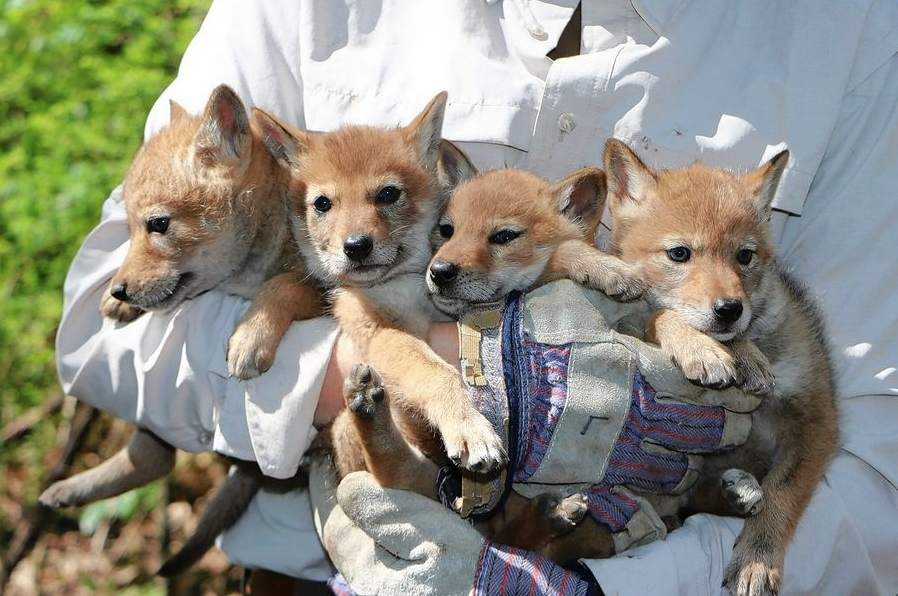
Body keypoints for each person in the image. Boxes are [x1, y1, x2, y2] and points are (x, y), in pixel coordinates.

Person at [56, 1, 898, 594]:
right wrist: (378, 375)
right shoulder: (305, 10)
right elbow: (104, 333)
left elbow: (871, 466)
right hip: (331, 572)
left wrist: (617, 588)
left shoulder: (847, 26)